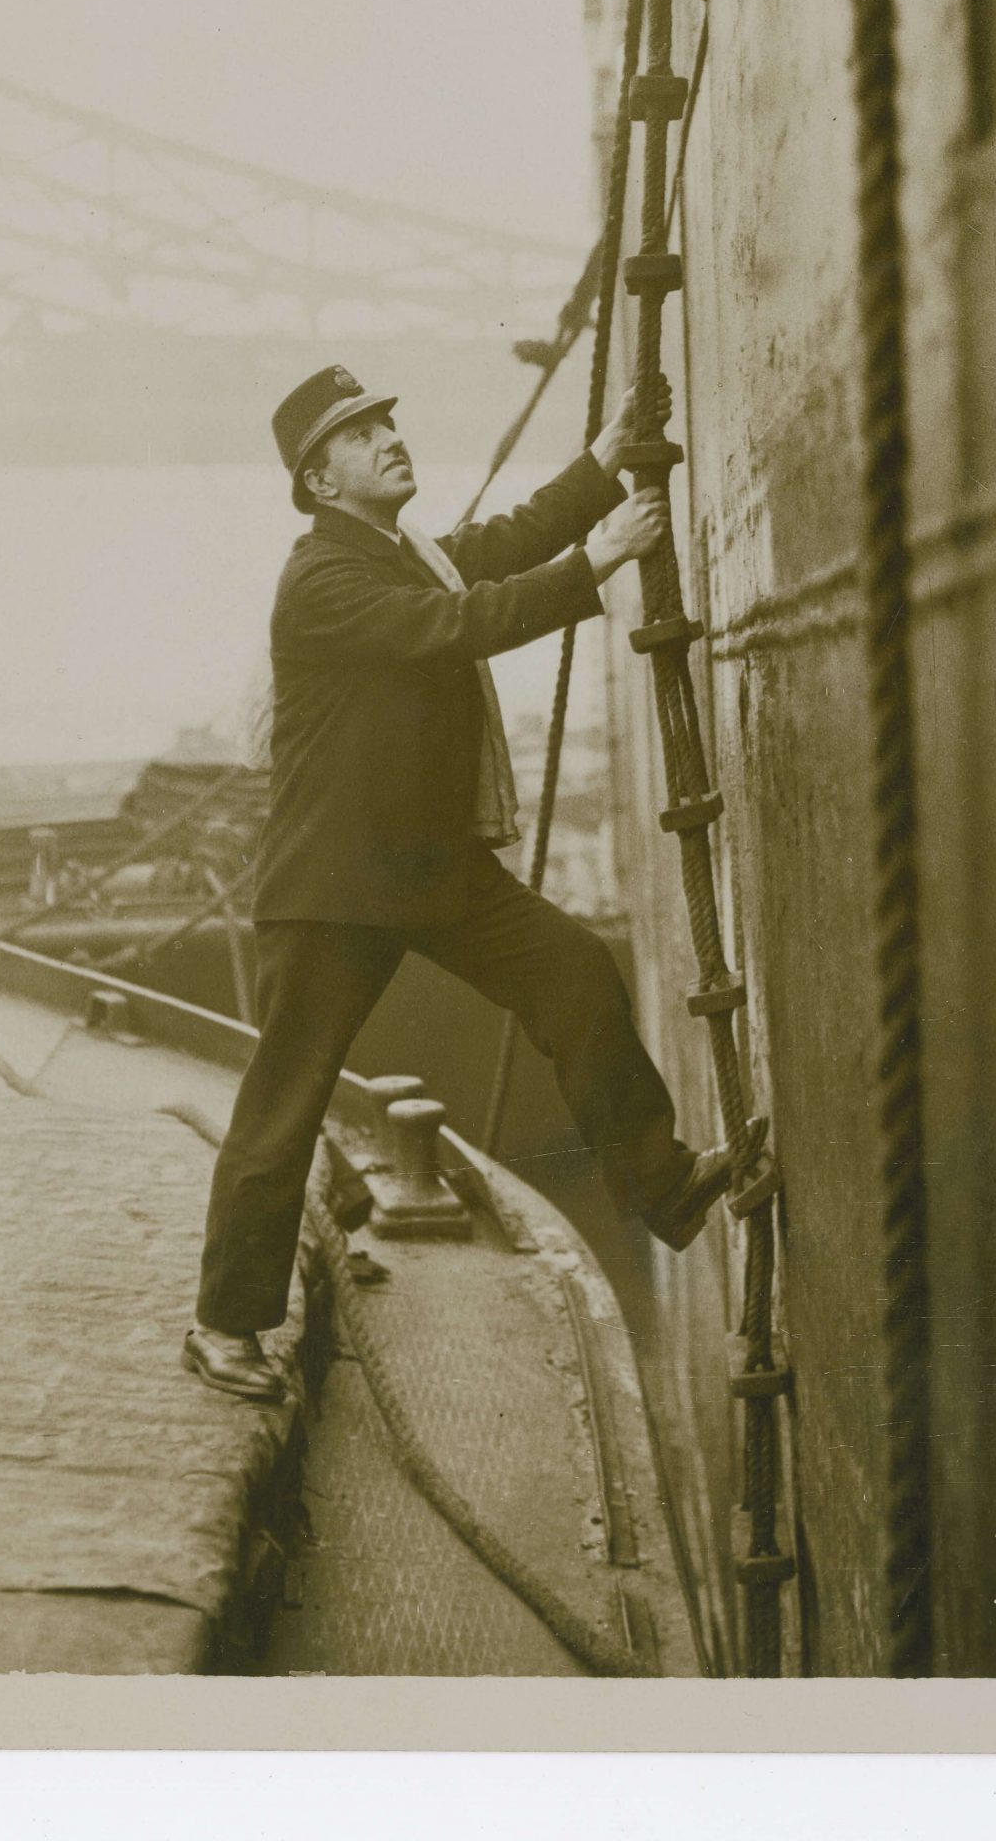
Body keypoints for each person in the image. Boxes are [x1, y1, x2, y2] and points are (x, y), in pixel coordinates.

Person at [184, 362, 761, 1402]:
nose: (390, 437)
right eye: (361, 436)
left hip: (432, 865)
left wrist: (597, 464)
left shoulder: (403, 555)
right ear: (320, 484)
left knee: (573, 974)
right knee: (286, 1101)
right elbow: (456, 624)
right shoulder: (321, 579)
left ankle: (662, 1184)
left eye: (386, 422)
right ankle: (223, 1327)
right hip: (334, 885)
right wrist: (598, 561)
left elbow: (494, 549)